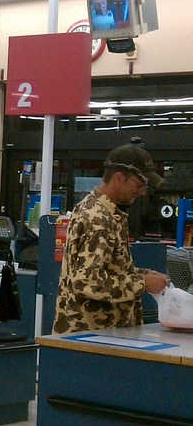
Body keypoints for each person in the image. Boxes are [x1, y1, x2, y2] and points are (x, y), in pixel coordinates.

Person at [53, 141, 170, 333]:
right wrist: (142, 283)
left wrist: (142, 274)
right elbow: (87, 282)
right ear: (118, 177)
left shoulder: (100, 210)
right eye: (139, 184)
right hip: (91, 337)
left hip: (105, 333)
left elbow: (108, 269)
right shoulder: (98, 219)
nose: (142, 192)